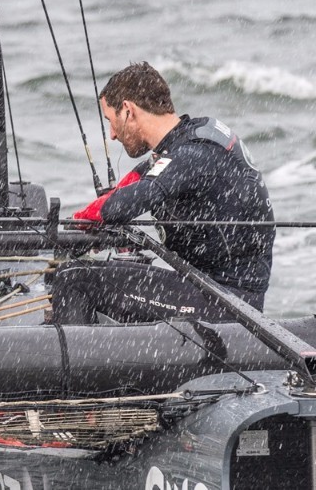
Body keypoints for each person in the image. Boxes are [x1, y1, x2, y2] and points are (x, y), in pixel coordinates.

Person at [50, 62, 274, 324]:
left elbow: (120, 207)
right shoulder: (194, 134)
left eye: (111, 122)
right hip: (221, 292)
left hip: (228, 304)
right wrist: (82, 221)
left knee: (74, 278)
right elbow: (141, 175)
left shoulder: (192, 154)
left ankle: (75, 364)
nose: (112, 135)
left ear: (128, 110)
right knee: (113, 272)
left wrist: (97, 214)